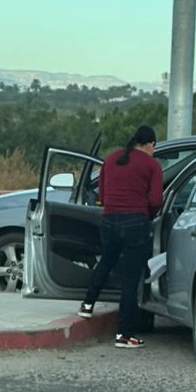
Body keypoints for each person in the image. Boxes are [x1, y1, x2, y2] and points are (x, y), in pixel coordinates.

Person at [78, 125, 163, 349]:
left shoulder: (111, 159)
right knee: (131, 278)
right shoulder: (152, 165)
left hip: (109, 220)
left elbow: (103, 195)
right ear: (151, 144)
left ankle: (87, 304)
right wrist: (147, 216)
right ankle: (124, 335)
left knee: (106, 260)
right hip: (136, 223)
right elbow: (155, 201)